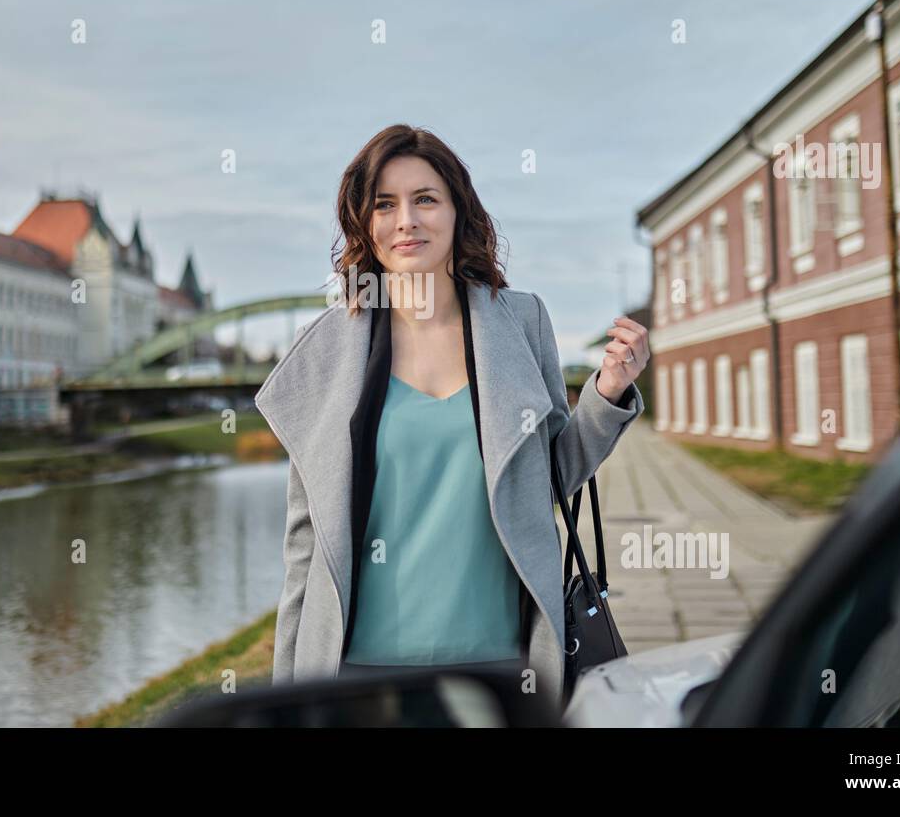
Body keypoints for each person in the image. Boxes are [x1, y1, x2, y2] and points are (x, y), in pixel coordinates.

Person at [254, 124, 648, 709]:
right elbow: (305, 545)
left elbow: (547, 481)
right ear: (364, 222)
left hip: (498, 666)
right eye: (384, 204)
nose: (406, 220)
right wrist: (284, 698)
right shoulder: (329, 349)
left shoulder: (519, 321)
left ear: (458, 211)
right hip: (358, 674)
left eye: (425, 199)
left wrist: (607, 394)